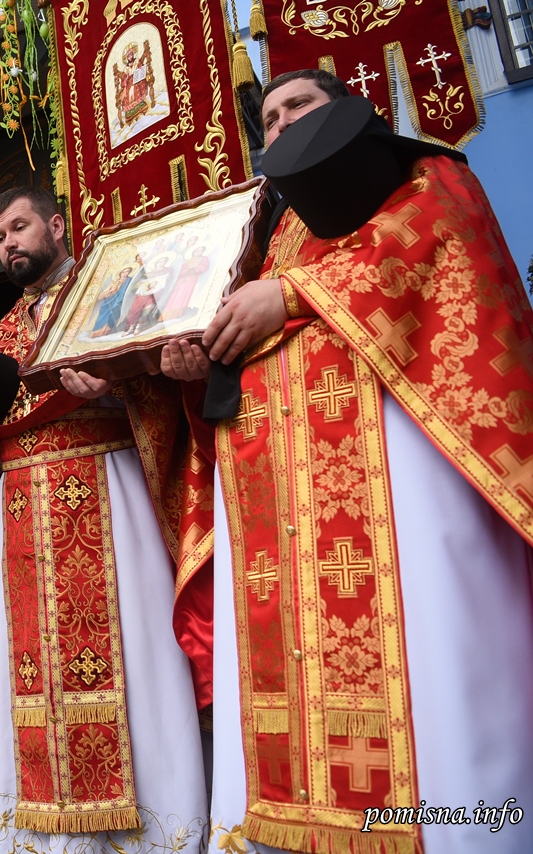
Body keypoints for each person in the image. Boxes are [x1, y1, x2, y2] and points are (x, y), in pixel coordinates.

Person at [160, 69, 533, 853]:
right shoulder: (273, 236)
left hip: (398, 476)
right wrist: (204, 362)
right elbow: (245, 348)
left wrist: (291, 295)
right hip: (283, 500)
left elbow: (429, 245)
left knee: (424, 661)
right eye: (269, 118)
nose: (281, 122)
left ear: (353, 111)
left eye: (299, 105)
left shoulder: (419, 173)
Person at [0, 187, 208, 850]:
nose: (9, 244)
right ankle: (38, 835)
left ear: (56, 226)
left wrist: (119, 390)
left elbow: (166, 387)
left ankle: (151, 832)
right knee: (25, 668)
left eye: (19, 227)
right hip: (22, 511)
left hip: (107, 491)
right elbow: (5, 440)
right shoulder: (1, 334)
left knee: (133, 652)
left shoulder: (110, 293)